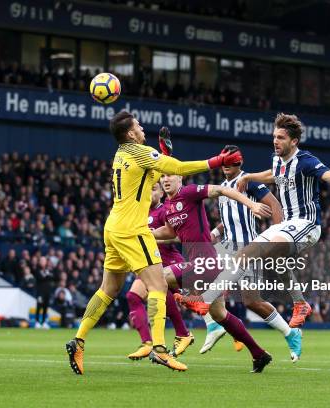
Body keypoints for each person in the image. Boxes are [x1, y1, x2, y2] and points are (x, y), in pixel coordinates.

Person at [179, 113, 330, 362]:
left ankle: (205, 301)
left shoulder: (306, 162)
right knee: (252, 257)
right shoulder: (277, 161)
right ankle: (298, 305)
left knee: (254, 255)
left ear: (294, 141)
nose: (275, 141)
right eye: (274, 136)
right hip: (287, 226)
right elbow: (273, 174)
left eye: (281, 138)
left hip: (307, 225)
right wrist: (251, 176)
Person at [65, 111, 241, 375]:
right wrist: (217, 161)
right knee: (158, 284)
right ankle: (159, 350)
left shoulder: (121, 154)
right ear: (130, 133)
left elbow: (156, 169)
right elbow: (179, 169)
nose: (142, 128)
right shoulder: (138, 151)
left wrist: (162, 154)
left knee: (108, 289)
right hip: (133, 229)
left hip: (113, 226)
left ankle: (78, 340)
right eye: (138, 125)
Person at [152, 172, 274, 373]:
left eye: (170, 176)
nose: (165, 180)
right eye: (163, 176)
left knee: (160, 277)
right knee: (219, 314)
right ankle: (259, 354)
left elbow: (223, 189)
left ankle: (183, 329)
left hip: (207, 262)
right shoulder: (167, 208)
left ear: (180, 179)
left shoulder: (189, 193)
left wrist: (251, 204)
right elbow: (170, 233)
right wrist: (148, 235)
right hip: (200, 265)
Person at [201, 145, 305, 360]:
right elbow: (230, 216)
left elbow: (274, 204)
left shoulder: (249, 182)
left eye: (232, 163)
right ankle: (217, 327)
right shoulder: (222, 186)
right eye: (225, 163)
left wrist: (278, 238)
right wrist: (216, 230)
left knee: (251, 302)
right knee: (201, 279)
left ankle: (290, 332)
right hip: (226, 247)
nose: (227, 167)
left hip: (248, 248)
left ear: (239, 163)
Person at [125, 181, 194, 360]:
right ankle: (147, 343)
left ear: (162, 194)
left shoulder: (164, 211)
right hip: (149, 265)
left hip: (169, 262)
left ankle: (230, 328)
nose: (150, 193)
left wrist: (153, 240)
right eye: (147, 190)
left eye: (154, 189)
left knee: (194, 302)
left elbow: (179, 236)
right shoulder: (139, 214)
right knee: (133, 296)